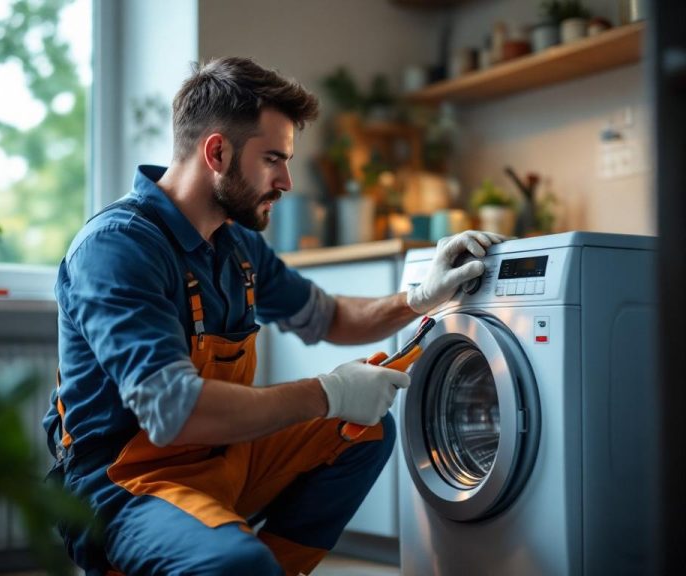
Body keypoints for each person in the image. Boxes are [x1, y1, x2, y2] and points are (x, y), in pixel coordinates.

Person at [43, 56, 505, 576]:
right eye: (273, 159)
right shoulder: (118, 248)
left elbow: (330, 318)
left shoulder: (235, 243)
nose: (286, 181)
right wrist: (328, 391)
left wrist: (419, 298)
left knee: (364, 431)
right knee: (237, 566)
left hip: (218, 458)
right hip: (120, 488)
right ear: (216, 152)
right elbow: (176, 412)